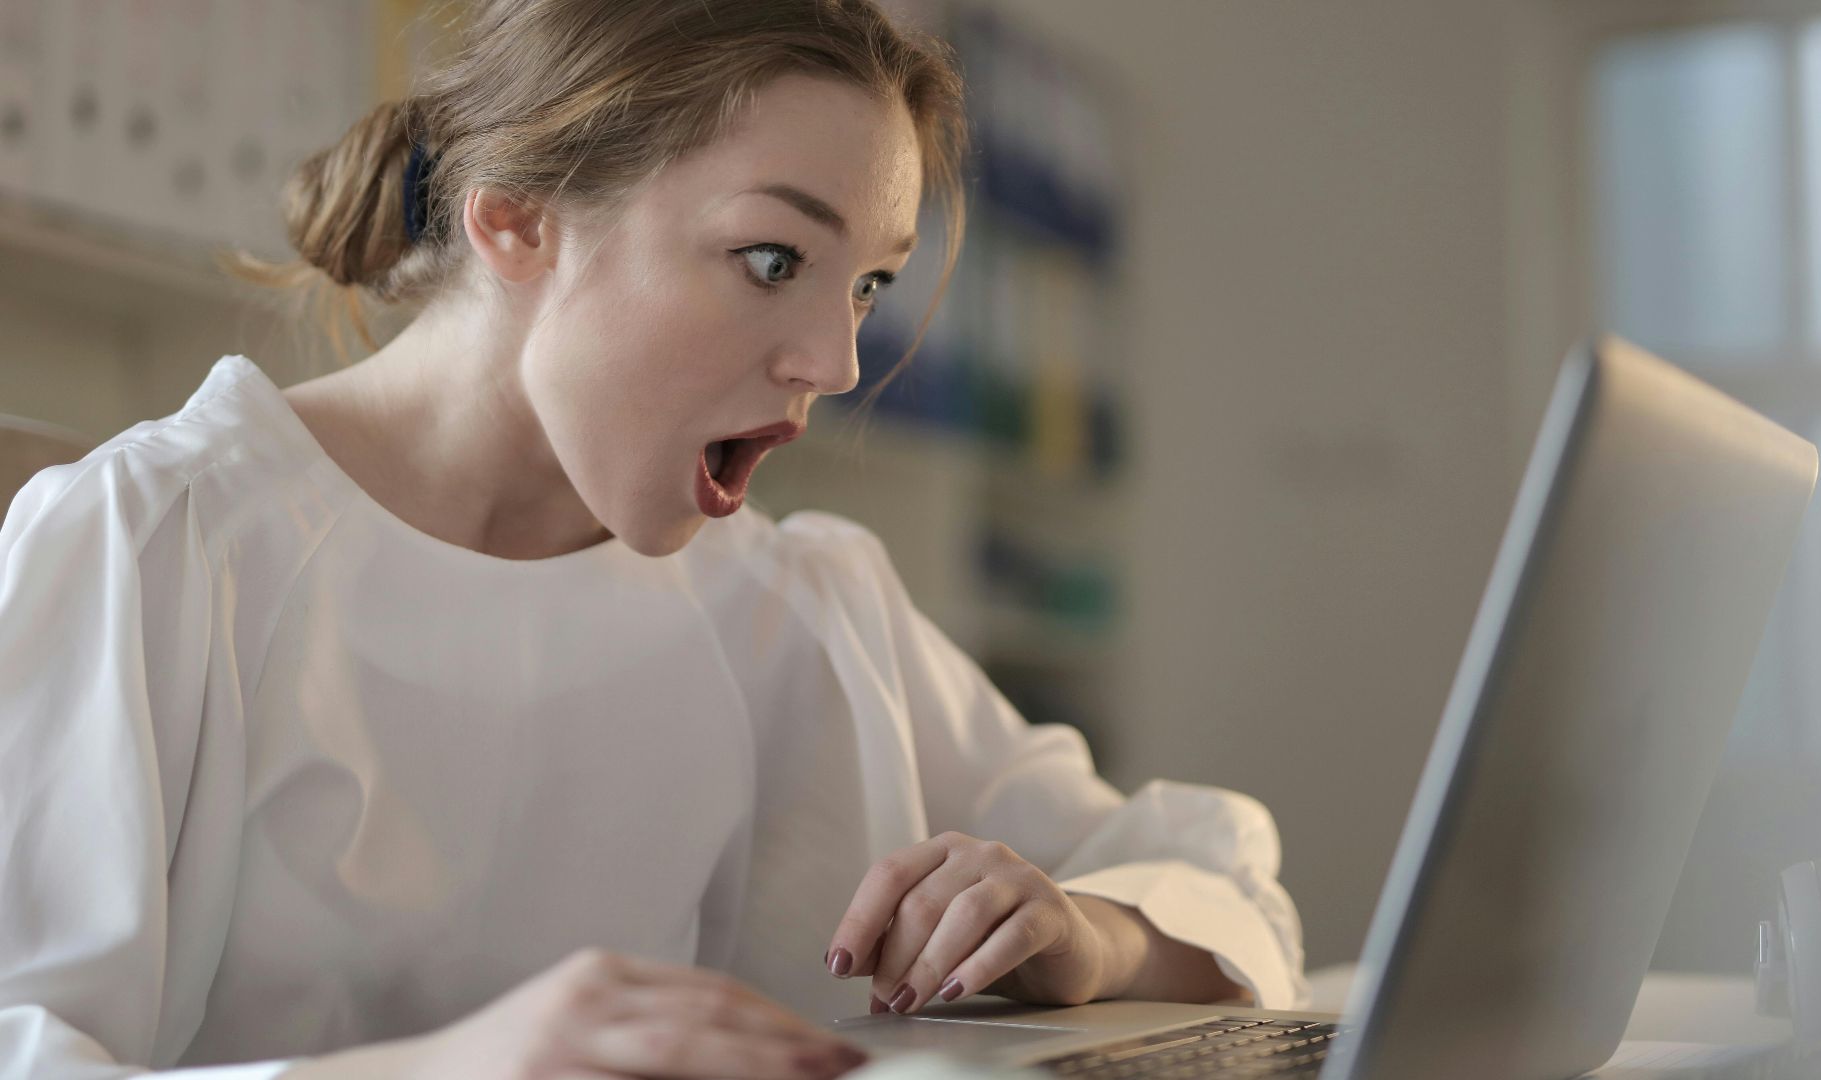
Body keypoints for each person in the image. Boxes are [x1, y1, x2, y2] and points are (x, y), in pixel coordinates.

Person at [0, 1, 1309, 1077]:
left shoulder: (801, 602)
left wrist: (1091, 936)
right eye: (769, 260)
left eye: (868, 283)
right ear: (515, 216)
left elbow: (1216, 877)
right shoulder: (158, 547)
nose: (839, 360)